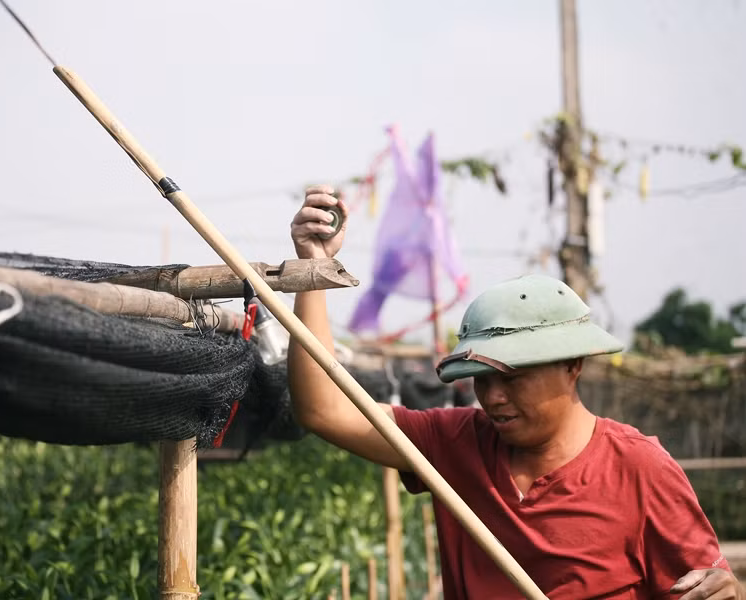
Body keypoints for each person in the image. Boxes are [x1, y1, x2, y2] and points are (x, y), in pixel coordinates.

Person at [287, 185, 744, 600]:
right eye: (482, 378)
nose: (493, 396)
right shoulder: (452, 445)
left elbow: (709, 585)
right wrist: (312, 267)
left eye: (513, 376)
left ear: (573, 364)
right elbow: (323, 409)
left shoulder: (640, 468)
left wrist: (729, 593)